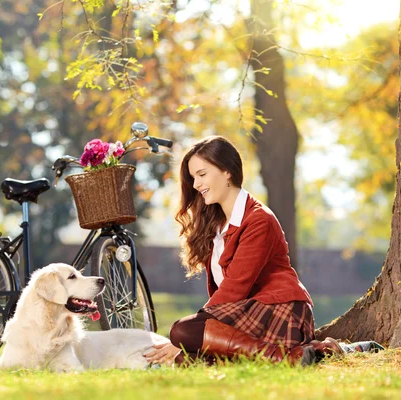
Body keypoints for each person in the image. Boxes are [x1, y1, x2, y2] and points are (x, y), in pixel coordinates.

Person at [144, 136, 383, 367]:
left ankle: (284, 358)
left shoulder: (258, 219)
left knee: (182, 331)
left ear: (227, 171)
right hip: (248, 317)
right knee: (187, 359)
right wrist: (189, 341)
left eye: (202, 174)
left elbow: (235, 287)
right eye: (193, 177)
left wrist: (189, 335)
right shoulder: (216, 226)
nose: (196, 185)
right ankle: (317, 352)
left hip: (280, 310)